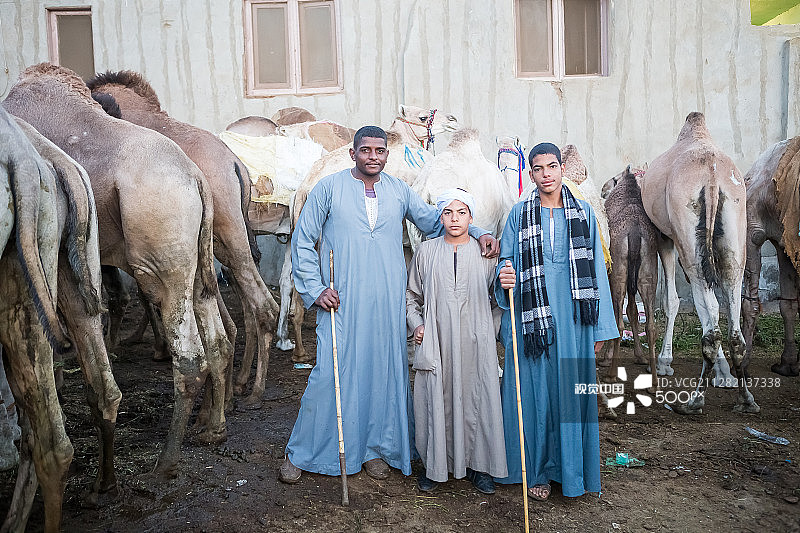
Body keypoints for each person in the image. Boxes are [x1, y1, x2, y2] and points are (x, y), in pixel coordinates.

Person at [280, 126, 498, 483]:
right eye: (365, 150)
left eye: (379, 151)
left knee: (382, 372)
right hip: (341, 301)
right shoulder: (328, 189)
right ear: (353, 153)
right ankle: (303, 451)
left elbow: (434, 220)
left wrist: (478, 232)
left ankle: (375, 449)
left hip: (387, 303)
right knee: (330, 373)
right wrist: (316, 289)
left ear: (386, 154)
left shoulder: (398, 191)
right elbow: (303, 240)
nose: (373, 157)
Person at [494, 142, 618, 501]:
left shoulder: (584, 215)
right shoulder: (518, 215)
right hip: (532, 321)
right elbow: (506, 263)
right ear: (530, 174)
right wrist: (504, 277)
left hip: (576, 324)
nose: (546, 174)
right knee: (534, 393)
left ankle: (571, 472)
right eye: (538, 168)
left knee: (570, 394)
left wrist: (599, 329)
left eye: (552, 166)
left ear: (563, 168)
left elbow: (596, 271)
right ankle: (535, 472)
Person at [406, 189, 507, 494]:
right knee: (435, 395)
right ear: (440, 216)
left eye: (461, 212)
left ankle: (479, 467)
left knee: (478, 397)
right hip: (436, 338)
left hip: (476, 341)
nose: (454, 219)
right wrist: (418, 324)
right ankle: (434, 466)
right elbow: (411, 297)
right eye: (448, 212)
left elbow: (497, 298)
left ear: (471, 217)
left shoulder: (485, 253)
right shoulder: (426, 252)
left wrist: (488, 329)